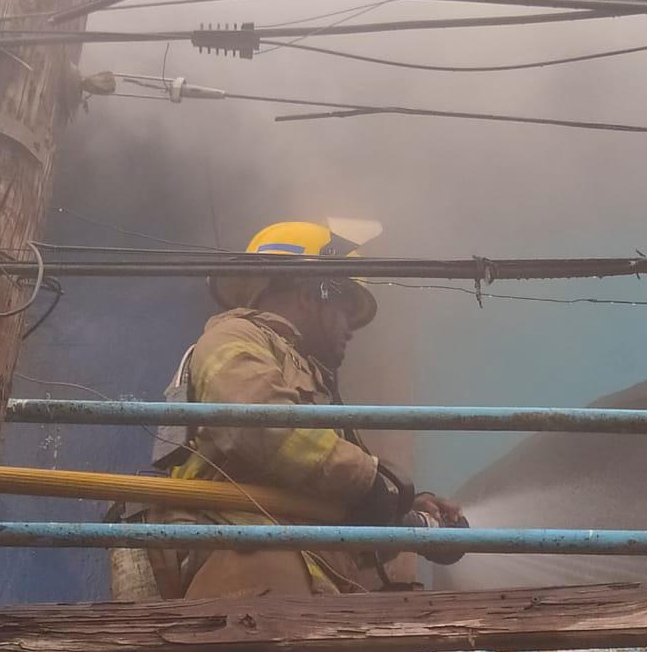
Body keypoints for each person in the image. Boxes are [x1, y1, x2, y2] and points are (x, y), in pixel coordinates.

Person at [150, 221, 465, 598]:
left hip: (311, 578)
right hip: (254, 567)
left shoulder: (302, 374)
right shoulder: (233, 337)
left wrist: (404, 512)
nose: (351, 329)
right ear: (311, 291)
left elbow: (337, 508)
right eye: (345, 310)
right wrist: (369, 481)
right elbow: (257, 424)